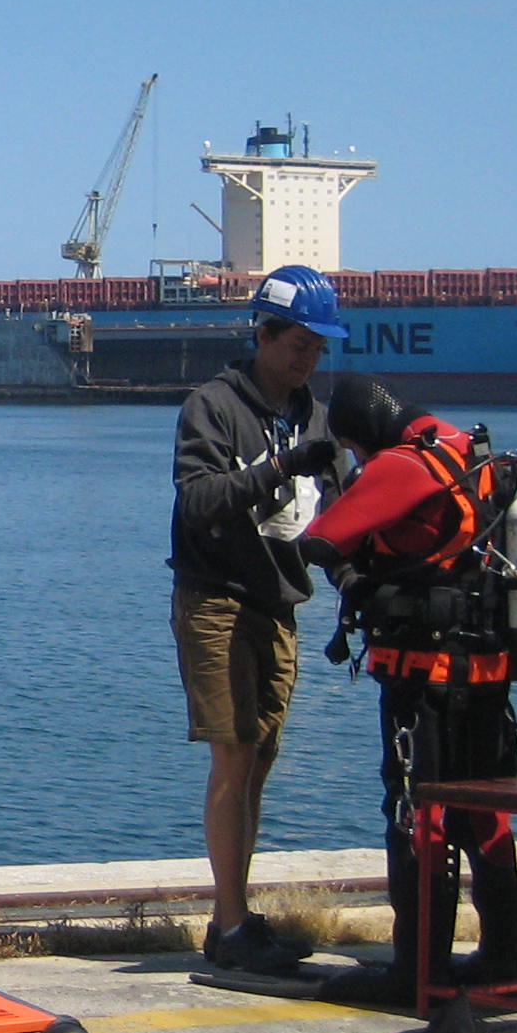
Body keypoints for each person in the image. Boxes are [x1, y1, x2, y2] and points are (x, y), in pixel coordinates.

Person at [301, 375, 517, 999]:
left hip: (422, 676)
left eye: (354, 445)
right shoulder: (469, 451)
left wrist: (336, 488)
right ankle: (500, 956)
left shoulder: (401, 466)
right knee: (485, 811)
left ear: (364, 432)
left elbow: (320, 540)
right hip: (488, 673)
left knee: (415, 813)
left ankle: (418, 969)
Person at [168, 266, 344, 976]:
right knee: (234, 754)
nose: (310, 359)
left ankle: (233, 919)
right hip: (216, 599)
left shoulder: (313, 414)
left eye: (319, 347)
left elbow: (334, 517)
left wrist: (353, 582)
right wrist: (282, 465)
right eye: (300, 344)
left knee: (260, 760)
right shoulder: (212, 407)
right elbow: (198, 501)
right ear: (264, 335)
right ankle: (233, 921)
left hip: (278, 603)